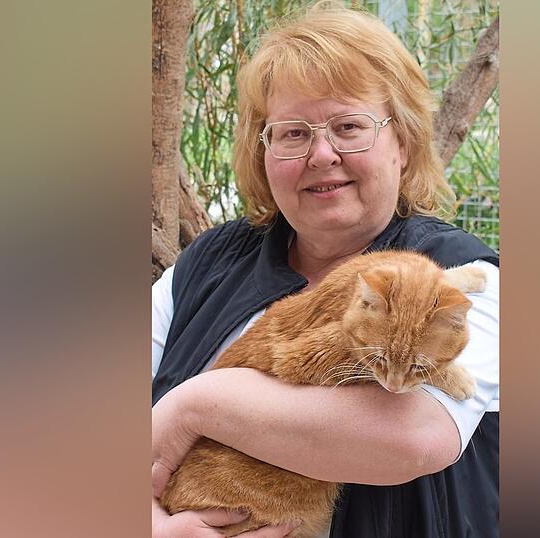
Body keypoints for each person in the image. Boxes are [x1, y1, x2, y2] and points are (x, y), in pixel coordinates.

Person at [151, 3, 499, 537]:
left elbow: (412, 439)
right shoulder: (203, 268)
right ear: (263, 150)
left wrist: (193, 406)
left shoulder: (460, 279)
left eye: (349, 126)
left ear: (402, 144)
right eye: (292, 132)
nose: (321, 153)